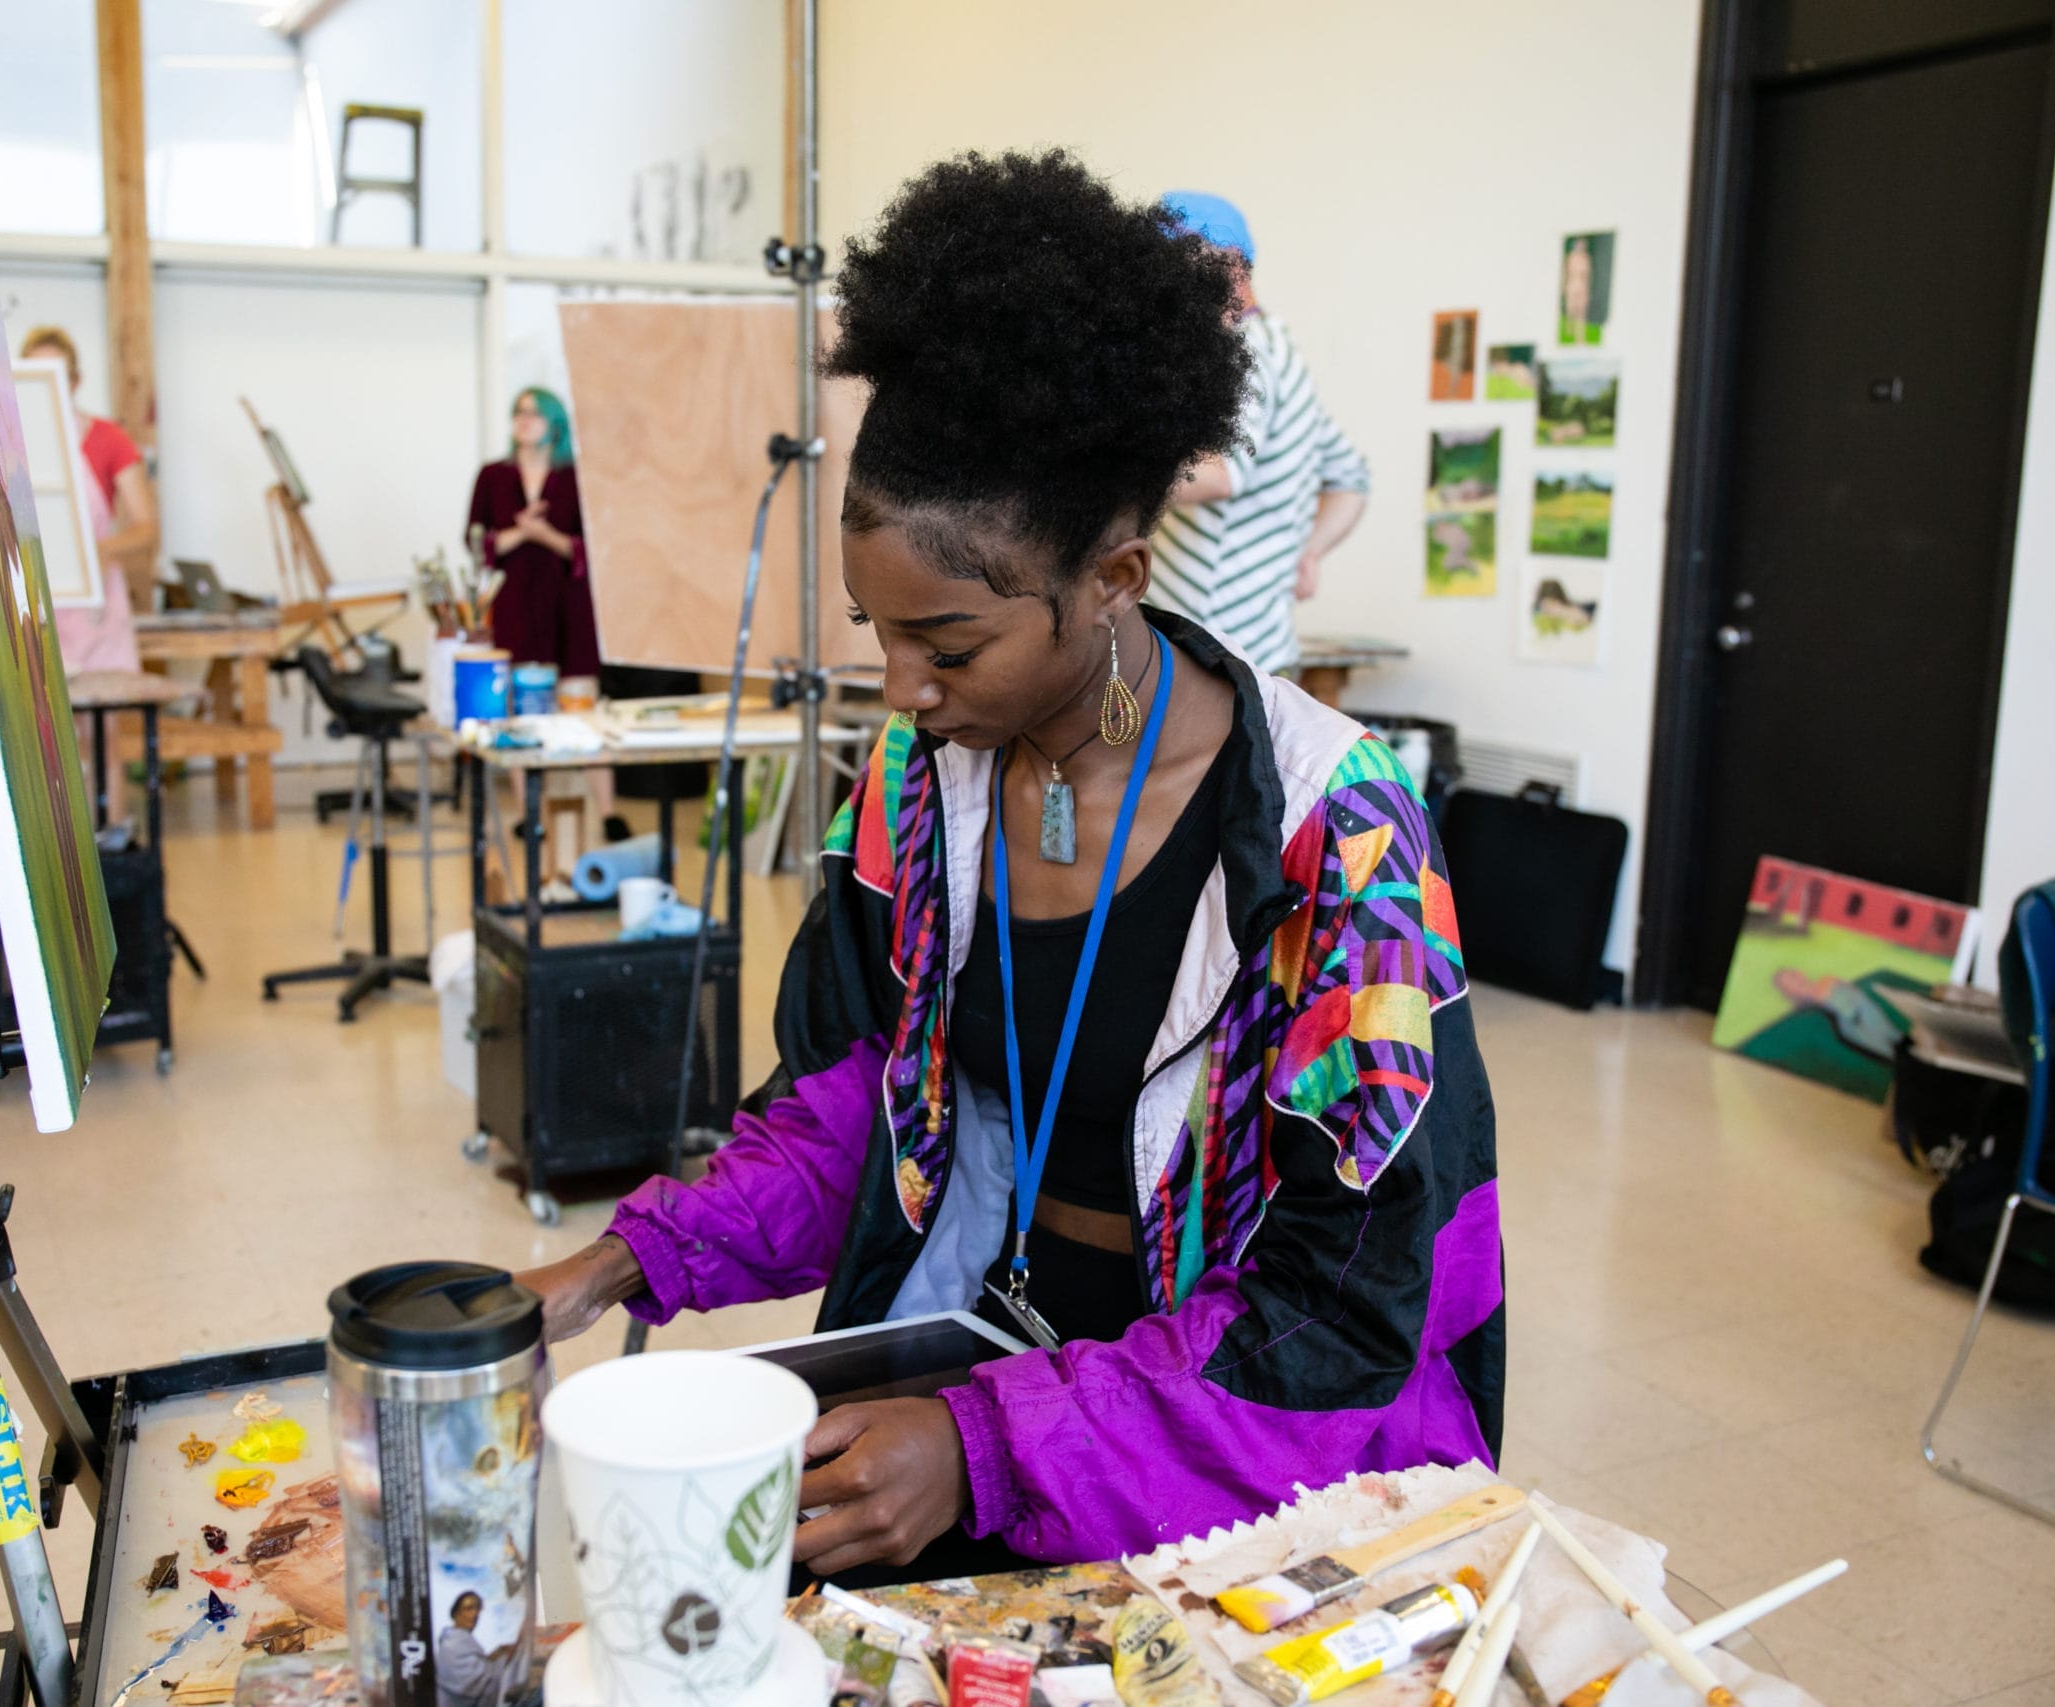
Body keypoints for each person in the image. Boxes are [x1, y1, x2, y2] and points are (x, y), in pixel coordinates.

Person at [517, 151, 1503, 1577]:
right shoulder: (923, 786)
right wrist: (625, 1257)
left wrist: (992, 1441)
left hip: (1244, 1437)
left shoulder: (1333, 843)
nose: (902, 688)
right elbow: (859, 1087)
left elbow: (1341, 1307)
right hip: (988, 1350)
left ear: (1112, 576)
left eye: (951, 644)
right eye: (875, 631)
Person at [1147, 193, 1370, 676]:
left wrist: (1105, 473)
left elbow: (1220, 473)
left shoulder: (1245, 352)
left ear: (1231, 269)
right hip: (1252, 647)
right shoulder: (1277, 352)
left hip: (1215, 654)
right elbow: (1351, 478)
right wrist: (1307, 553)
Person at [464, 387, 623, 841]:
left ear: (554, 423)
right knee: (524, 709)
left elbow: (592, 545)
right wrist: (520, 531)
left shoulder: (575, 478)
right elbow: (476, 543)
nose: (523, 420)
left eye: (534, 413)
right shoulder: (492, 476)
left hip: (568, 608)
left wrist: (545, 534)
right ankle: (528, 813)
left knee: (581, 706)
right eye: (518, 412)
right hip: (515, 607)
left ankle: (609, 811)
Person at [19, 327, 159, 675]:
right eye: (37, 377)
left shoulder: (109, 439)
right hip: (30, 603)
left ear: (76, 381)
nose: (48, 387)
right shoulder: (9, 445)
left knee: (101, 720)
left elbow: (146, 528)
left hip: (95, 607)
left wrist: (98, 550)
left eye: (58, 377)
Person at [434, 1589, 522, 1707]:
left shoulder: (462, 1640)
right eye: (469, 1608)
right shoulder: (451, 1644)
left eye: (477, 1608)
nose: (475, 1614)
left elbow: (480, 1665)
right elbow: (477, 1681)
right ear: (456, 1613)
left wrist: (500, 1652)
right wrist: (505, 1659)